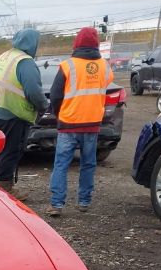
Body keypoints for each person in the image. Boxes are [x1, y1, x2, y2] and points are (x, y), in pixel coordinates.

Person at [47, 27, 113, 216]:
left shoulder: (68, 65)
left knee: (61, 164)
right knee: (88, 163)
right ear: (96, 44)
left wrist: (60, 113)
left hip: (69, 123)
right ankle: (84, 201)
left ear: (76, 43)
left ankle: (57, 204)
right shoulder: (104, 66)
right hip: (92, 123)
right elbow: (105, 86)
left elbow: (55, 94)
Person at [0, 29, 48, 200]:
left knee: (0, 151)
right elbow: (34, 91)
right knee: (11, 151)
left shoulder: (4, 56)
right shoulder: (25, 62)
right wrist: (43, 106)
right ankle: (5, 188)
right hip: (12, 112)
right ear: (33, 43)